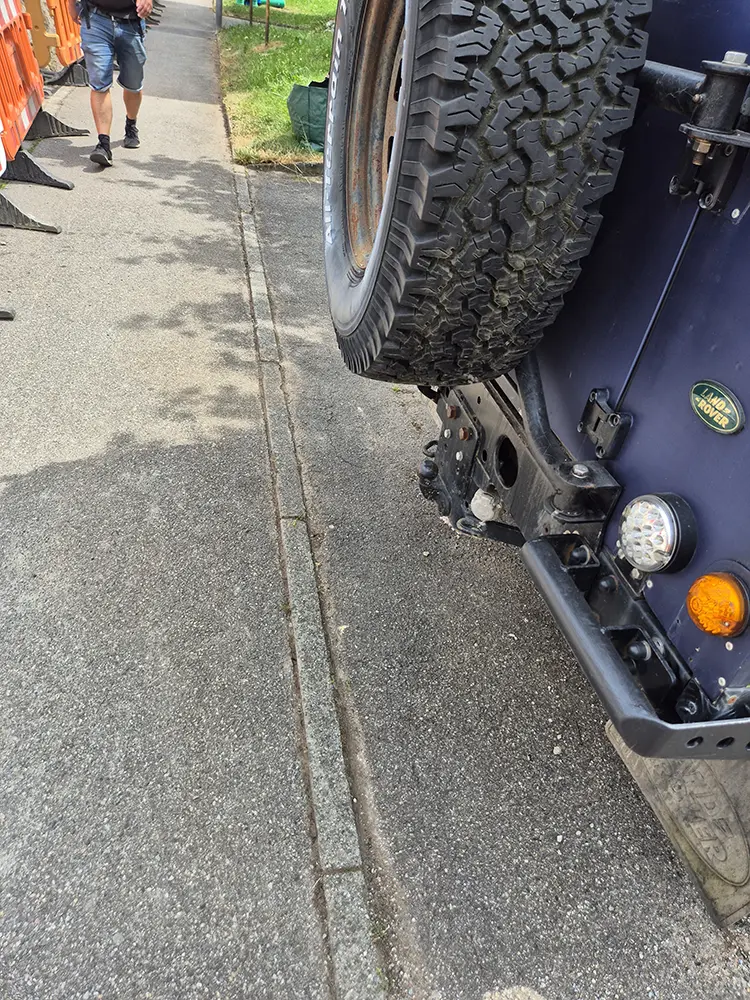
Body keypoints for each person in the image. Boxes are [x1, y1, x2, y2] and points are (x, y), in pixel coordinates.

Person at [71, 0, 153, 167]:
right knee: (99, 82)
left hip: (131, 21)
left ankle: (131, 124)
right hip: (95, 19)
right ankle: (103, 144)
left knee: (133, 84)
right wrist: (71, 3)